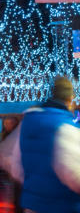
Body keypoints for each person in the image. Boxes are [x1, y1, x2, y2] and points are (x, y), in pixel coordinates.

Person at [20, 76, 80, 213]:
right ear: (70, 98)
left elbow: (8, 158)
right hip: (62, 206)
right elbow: (74, 175)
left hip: (32, 204)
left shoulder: (29, 119)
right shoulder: (66, 125)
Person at [0, 116, 22, 213]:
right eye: (5, 123)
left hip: (17, 166)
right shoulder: (8, 134)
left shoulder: (15, 135)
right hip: (13, 166)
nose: (5, 125)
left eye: (7, 123)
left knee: (17, 189)